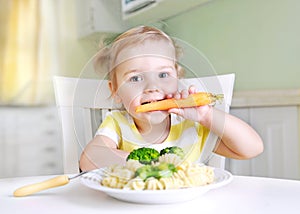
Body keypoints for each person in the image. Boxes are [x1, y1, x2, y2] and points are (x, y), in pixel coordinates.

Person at [79, 26, 263, 171]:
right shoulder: (117, 124)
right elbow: (89, 159)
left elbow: (252, 148)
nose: (152, 87)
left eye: (163, 75)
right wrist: (149, 162)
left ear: (177, 78)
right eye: (135, 78)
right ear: (116, 91)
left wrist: (207, 116)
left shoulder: (191, 126)